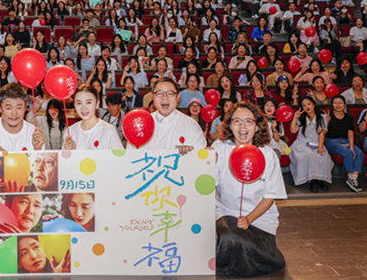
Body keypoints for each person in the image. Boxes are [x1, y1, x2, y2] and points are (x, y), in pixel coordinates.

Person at [213, 102, 287, 277]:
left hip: (260, 218)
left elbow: (270, 196)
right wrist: (206, 161)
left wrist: (248, 218)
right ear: (230, 125)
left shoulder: (268, 155)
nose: (243, 126)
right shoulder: (219, 148)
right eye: (237, 121)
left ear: (257, 126)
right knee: (231, 238)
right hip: (225, 212)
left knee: (244, 246)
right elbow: (207, 185)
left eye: (248, 121)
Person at [128, 77, 205, 154]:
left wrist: (190, 155)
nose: (165, 98)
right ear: (153, 96)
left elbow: (201, 160)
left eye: (170, 94)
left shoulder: (191, 125)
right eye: (159, 93)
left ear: (178, 97)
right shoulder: (141, 126)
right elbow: (131, 157)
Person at [0, 83, 45, 152]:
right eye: (8, 108)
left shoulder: (34, 134)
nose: (14, 113)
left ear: (25, 108)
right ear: (0, 108)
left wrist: (37, 150)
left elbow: (41, 162)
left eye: (19, 107)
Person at [289, 97, 334, 192]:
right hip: (301, 143)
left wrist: (320, 147)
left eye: (309, 104)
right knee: (309, 154)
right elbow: (293, 130)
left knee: (323, 155)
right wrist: (295, 117)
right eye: (304, 105)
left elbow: (322, 133)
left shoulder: (322, 117)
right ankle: (311, 180)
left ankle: (319, 179)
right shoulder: (301, 118)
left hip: (316, 142)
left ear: (313, 104)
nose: (307, 107)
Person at [63, 85, 123, 150]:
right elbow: (64, 159)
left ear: (97, 104)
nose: (84, 108)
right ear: (74, 105)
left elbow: (119, 159)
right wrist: (70, 153)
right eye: (79, 103)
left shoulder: (108, 130)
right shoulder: (70, 132)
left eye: (88, 102)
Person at [324, 95, 363, 192]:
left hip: (345, 141)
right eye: (335, 103)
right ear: (332, 105)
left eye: (340, 102)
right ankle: (349, 176)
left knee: (359, 153)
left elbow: (350, 133)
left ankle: (354, 177)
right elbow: (322, 132)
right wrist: (327, 121)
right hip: (332, 142)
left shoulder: (349, 117)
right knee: (348, 153)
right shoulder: (328, 116)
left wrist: (352, 146)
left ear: (344, 104)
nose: (338, 105)